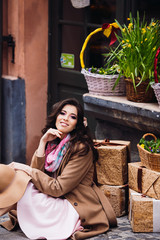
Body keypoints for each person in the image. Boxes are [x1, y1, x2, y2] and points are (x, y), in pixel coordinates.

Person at [0, 98, 117, 239]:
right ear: (56, 116)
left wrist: (27, 170)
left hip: (72, 205)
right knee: (20, 179)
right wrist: (42, 142)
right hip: (54, 197)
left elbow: (58, 188)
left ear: (77, 125)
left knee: (20, 179)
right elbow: (36, 173)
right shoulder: (54, 142)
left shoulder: (82, 149)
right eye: (62, 113)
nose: (65, 119)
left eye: (72, 117)